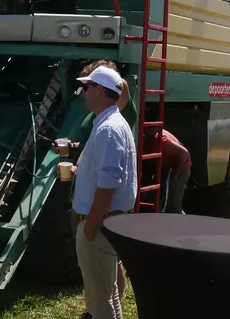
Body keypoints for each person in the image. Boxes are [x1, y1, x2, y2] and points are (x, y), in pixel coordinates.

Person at [72, 65, 138, 319]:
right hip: (106, 221)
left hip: (99, 224)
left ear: (99, 90)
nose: (83, 92)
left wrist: (90, 224)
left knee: (99, 302)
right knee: (108, 294)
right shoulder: (111, 122)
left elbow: (109, 183)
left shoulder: (109, 128)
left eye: (86, 87)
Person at [146, 126, 192, 214]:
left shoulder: (161, 139)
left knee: (173, 205)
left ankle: (181, 224)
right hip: (166, 167)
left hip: (181, 166)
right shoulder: (148, 137)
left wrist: (175, 175)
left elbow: (184, 153)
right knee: (159, 199)